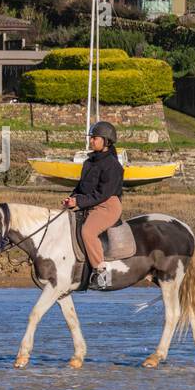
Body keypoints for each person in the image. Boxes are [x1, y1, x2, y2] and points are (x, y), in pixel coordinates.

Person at [63, 121, 124, 289]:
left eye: (94, 138)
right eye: (91, 138)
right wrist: (71, 199)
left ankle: (101, 273)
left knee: (87, 231)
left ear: (106, 141)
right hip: (90, 202)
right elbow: (82, 186)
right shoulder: (89, 162)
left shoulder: (113, 165)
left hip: (107, 205)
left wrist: (80, 201)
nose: (91, 141)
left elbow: (103, 194)